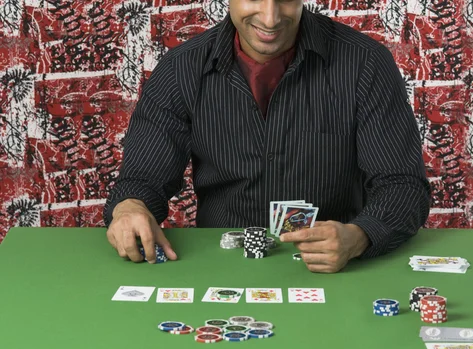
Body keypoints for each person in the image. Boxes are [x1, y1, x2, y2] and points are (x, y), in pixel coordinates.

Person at [103, 0, 431, 273]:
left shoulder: (365, 63)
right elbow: (142, 181)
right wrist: (130, 207)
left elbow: (402, 184)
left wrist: (360, 236)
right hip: (218, 269)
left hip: (338, 272)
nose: (271, 18)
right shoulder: (180, 69)